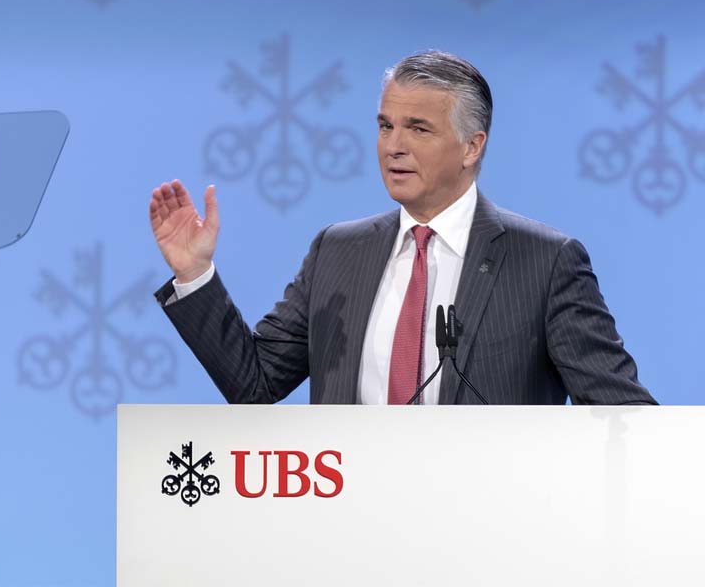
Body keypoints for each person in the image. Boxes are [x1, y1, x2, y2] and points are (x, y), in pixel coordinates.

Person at [149, 50, 657, 406]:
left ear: (471, 146)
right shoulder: (336, 251)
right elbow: (255, 385)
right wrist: (195, 274)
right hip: (348, 518)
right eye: (385, 125)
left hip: (487, 523)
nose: (394, 145)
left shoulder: (545, 262)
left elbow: (621, 412)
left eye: (418, 129)